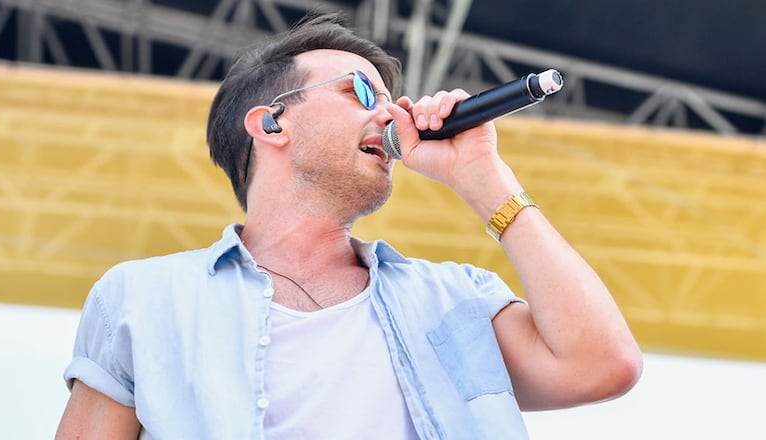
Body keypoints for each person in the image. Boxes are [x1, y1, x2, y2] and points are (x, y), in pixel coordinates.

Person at [56, 13, 642, 440]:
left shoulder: (453, 301)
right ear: (272, 124)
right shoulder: (143, 299)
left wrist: (484, 176)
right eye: (361, 91)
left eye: (392, 99)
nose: (391, 114)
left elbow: (603, 364)